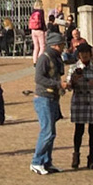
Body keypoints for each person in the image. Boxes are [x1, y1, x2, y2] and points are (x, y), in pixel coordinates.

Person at [67, 43, 93, 169]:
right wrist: (74, 80)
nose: (84, 55)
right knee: (79, 130)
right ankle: (76, 155)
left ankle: (91, 159)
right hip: (80, 101)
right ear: (78, 55)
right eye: (82, 53)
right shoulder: (73, 67)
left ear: (90, 54)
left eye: (86, 52)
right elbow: (68, 85)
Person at [29, 32, 63, 175]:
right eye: (61, 45)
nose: (63, 47)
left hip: (53, 98)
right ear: (55, 45)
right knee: (47, 131)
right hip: (43, 98)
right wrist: (57, 84)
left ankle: (47, 162)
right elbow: (39, 78)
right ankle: (36, 162)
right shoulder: (44, 58)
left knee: (51, 133)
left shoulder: (57, 58)